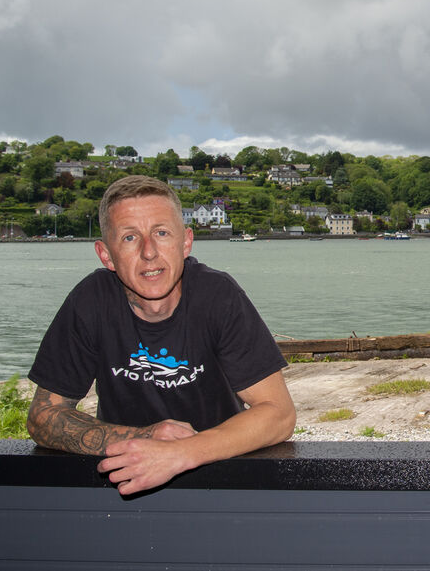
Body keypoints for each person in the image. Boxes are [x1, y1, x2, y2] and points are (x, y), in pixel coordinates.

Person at [27, 175, 295, 495]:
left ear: (185, 242)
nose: (149, 252)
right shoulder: (91, 302)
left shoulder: (218, 296)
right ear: (106, 255)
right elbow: (42, 417)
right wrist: (144, 439)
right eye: (129, 238)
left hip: (222, 478)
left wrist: (180, 454)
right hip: (126, 483)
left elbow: (279, 414)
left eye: (162, 233)